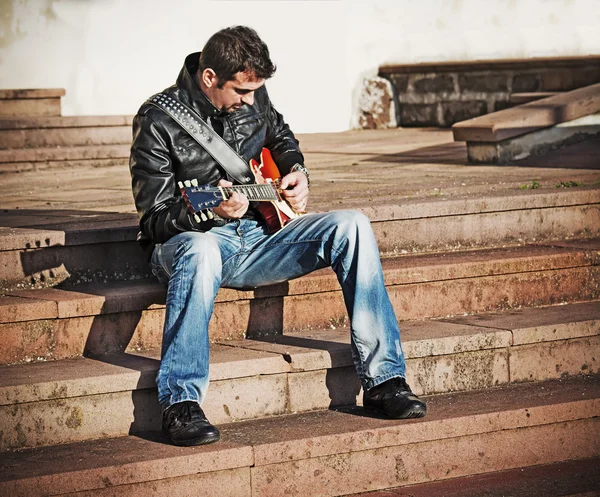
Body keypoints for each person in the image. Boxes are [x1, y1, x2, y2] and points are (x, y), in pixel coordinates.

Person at [129, 25, 426, 447]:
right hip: (194, 244)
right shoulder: (157, 119)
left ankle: (385, 380)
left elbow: (282, 137)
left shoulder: (255, 94)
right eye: (242, 91)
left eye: (256, 91)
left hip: (260, 235)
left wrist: (297, 172)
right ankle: (180, 403)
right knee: (198, 249)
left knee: (352, 224)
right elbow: (154, 220)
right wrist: (208, 209)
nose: (251, 101)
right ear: (210, 78)